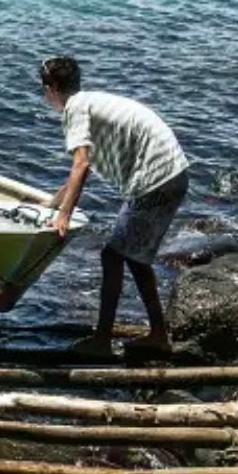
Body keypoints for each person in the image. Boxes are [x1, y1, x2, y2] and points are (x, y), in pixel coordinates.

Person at [40, 55, 191, 358]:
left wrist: (63, 215)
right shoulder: (91, 102)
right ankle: (158, 335)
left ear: (52, 88)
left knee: (112, 256)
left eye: (44, 89)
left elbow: (80, 165)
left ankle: (102, 341)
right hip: (171, 172)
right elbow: (87, 166)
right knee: (133, 258)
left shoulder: (75, 109)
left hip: (156, 177)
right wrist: (50, 203)